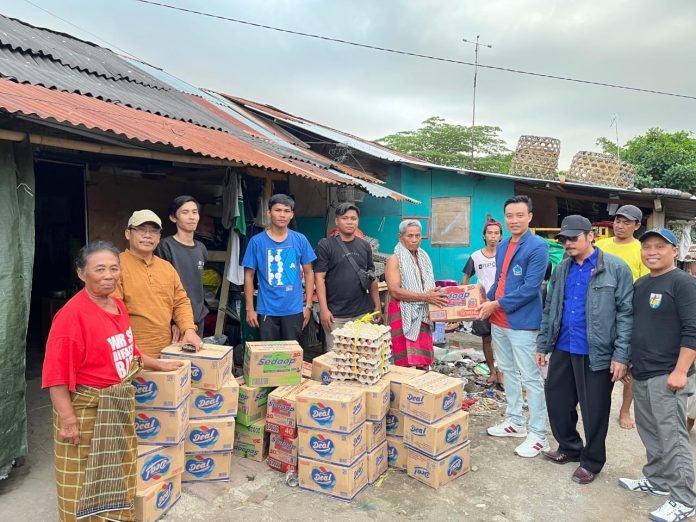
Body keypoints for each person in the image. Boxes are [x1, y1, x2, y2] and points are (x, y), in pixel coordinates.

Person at [42, 241, 183, 522]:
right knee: (84, 479)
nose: (109, 275)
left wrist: (157, 364)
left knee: (117, 472)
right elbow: (56, 376)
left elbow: (127, 349)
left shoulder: (117, 305)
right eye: (100, 269)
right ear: (81, 273)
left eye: (114, 268)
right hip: (86, 410)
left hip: (115, 404)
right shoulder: (71, 316)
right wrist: (68, 420)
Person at [536, 215, 632, 485]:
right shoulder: (562, 269)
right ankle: (569, 447)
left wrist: (621, 355)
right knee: (557, 401)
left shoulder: (615, 268)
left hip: (596, 351)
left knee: (595, 410)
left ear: (591, 236)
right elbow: (550, 308)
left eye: (573, 238)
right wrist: (543, 344)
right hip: (563, 345)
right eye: (563, 239)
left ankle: (592, 461)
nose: (567, 243)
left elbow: (626, 314)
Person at [619, 228, 696, 522]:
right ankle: (658, 480)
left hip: (669, 374)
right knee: (650, 430)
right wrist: (629, 361)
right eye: (647, 247)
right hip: (642, 371)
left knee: (672, 437)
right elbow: (638, 326)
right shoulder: (641, 284)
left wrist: (681, 370)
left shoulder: (683, 283)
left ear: (675, 251)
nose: (652, 252)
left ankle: (683, 500)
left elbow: (693, 329)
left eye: (660, 246)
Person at [477, 195, 550, 458]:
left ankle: (539, 435)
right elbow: (500, 280)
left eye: (520, 215)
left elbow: (531, 288)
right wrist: (485, 300)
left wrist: (495, 304)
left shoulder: (538, 247)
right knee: (507, 371)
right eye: (509, 216)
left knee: (531, 377)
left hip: (522, 323)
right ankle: (515, 421)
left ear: (530, 217)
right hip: (499, 322)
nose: (514, 220)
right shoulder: (504, 244)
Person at [113, 210, 202, 358]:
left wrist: (188, 330)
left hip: (167, 352)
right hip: (129, 354)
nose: (148, 235)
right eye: (141, 229)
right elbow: (112, 312)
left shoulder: (167, 268)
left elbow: (180, 302)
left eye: (154, 231)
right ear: (128, 234)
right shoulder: (115, 266)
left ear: (159, 237)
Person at [595, 204, 649, 430]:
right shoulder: (600, 246)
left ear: (637, 226)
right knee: (594, 359)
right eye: (618, 220)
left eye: (627, 222)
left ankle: (625, 410)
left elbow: (645, 285)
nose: (620, 225)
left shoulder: (641, 250)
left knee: (628, 365)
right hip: (599, 312)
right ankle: (586, 399)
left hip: (628, 313)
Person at [242, 194, 316, 342]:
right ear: (269, 213)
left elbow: (309, 273)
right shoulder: (256, 242)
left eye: (286, 211)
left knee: (292, 353)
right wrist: (250, 309)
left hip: (294, 309)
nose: (282, 215)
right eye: (278, 210)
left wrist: (308, 306)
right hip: (267, 310)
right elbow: (248, 276)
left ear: (292, 214)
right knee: (269, 354)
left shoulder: (300, 239)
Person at [315, 202, 381, 350]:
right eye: (345, 218)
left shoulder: (365, 246)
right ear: (337, 221)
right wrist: (324, 309)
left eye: (353, 218)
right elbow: (319, 278)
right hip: (335, 315)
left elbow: (372, 277)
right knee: (338, 356)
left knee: (363, 355)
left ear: (358, 221)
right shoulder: (326, 246)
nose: (349, 222)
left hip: (362, 314)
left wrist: (377, 306)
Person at [385, 219, 447, 368]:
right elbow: (394, 291)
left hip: (422, 313)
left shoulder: (423, 257)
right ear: (400, 237)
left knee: (423, 361)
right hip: (402, 313)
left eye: (417, 236)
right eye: (410, 236)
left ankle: (421, 381)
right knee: (403, 363)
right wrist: (426, 297)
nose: (414, 240)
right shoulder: (394, 259)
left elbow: (428, 286)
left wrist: (436, 294)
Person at [155, 195, 209, 336]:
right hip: (176, 321)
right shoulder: (165, 247)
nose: (191, 217)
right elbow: (161, 288)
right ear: (173, 218)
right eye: (185, 212)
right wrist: (175, 321)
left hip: (198, 316)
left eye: (194, 212)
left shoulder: (201, 248)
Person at [463, 216, 503, 385]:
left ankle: (502, 373)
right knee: (486, 339)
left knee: (502, 339)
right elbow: (465, 279)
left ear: (501, 236)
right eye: (490, 233)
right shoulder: (475, 256)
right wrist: (464, 301)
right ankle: (492, 372)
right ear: (484, 236)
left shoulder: (505, 255)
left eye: (496, 233)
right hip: (483, 303)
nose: (493, 236)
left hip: (501, 303)